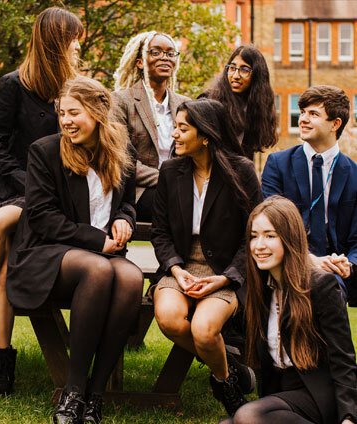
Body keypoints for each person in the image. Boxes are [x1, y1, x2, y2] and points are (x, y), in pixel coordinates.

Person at [6, 76, 143, 424]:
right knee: (98, 269)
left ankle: (96, 395)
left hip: (105, 255)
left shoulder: (122, 151)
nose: (66, 121)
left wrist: (124, 220)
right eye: (62, 113)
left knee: (130, 278)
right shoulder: (45, 151)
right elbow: (41, 217)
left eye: (74, 113)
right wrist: (96, 240)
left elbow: (127, 203)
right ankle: (73, 390)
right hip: (48, 254)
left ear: (98, 113)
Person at [0, 6, 84, 397]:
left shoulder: (75, 88)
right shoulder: (13, 85)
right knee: (1, 271)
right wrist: (28, 181)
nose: (76, 46)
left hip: (57, 194)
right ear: (55, 41)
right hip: (16, 187)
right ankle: (3, 362)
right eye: (72, 39)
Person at [151, 99, 263, 416]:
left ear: (206, 135)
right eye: (175, 126)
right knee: (170, 318)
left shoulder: (241, 172)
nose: (174, 133)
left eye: (182, 128)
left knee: (203, 330)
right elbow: (160, 232)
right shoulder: (170, 171)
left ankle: (224, 386)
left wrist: (226, 277)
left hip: (224, 271)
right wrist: (175, 268)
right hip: (181, 267)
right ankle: (229, 373)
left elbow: (253, 233)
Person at [222, 196, 357, 424]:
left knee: (248, 416)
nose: (259, 245)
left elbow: (342, 359)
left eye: (270, 236)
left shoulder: (321, 286)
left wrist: (348, 418)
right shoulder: (259, 288)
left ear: (289, 238)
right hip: (280, 393)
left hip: (317, 393)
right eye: (254, 236)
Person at [261, 85, 356, 305]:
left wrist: (347, 265)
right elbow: (271, 225)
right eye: (302, 112)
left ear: (335, 124)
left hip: (334, 269)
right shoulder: (278, 165)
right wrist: (309, 260)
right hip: (287, 259)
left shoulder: (354, 175)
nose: (302, 118)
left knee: (328, 286)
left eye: (313, 114)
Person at [112, 31, 189, 222]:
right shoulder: (122, 101)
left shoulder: (185, 105)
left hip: (180, 186)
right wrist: (167, 178)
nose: (165, 57)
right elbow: (121, 159)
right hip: (139, 191)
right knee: (182, 205)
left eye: (170, 53)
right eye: (156, 52)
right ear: (140, 62)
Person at [202, 44, 277, 160]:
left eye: (244, 70)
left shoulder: (257, 108)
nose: (236, 76)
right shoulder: (208, 101)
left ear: (257, 75)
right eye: (232, 68)